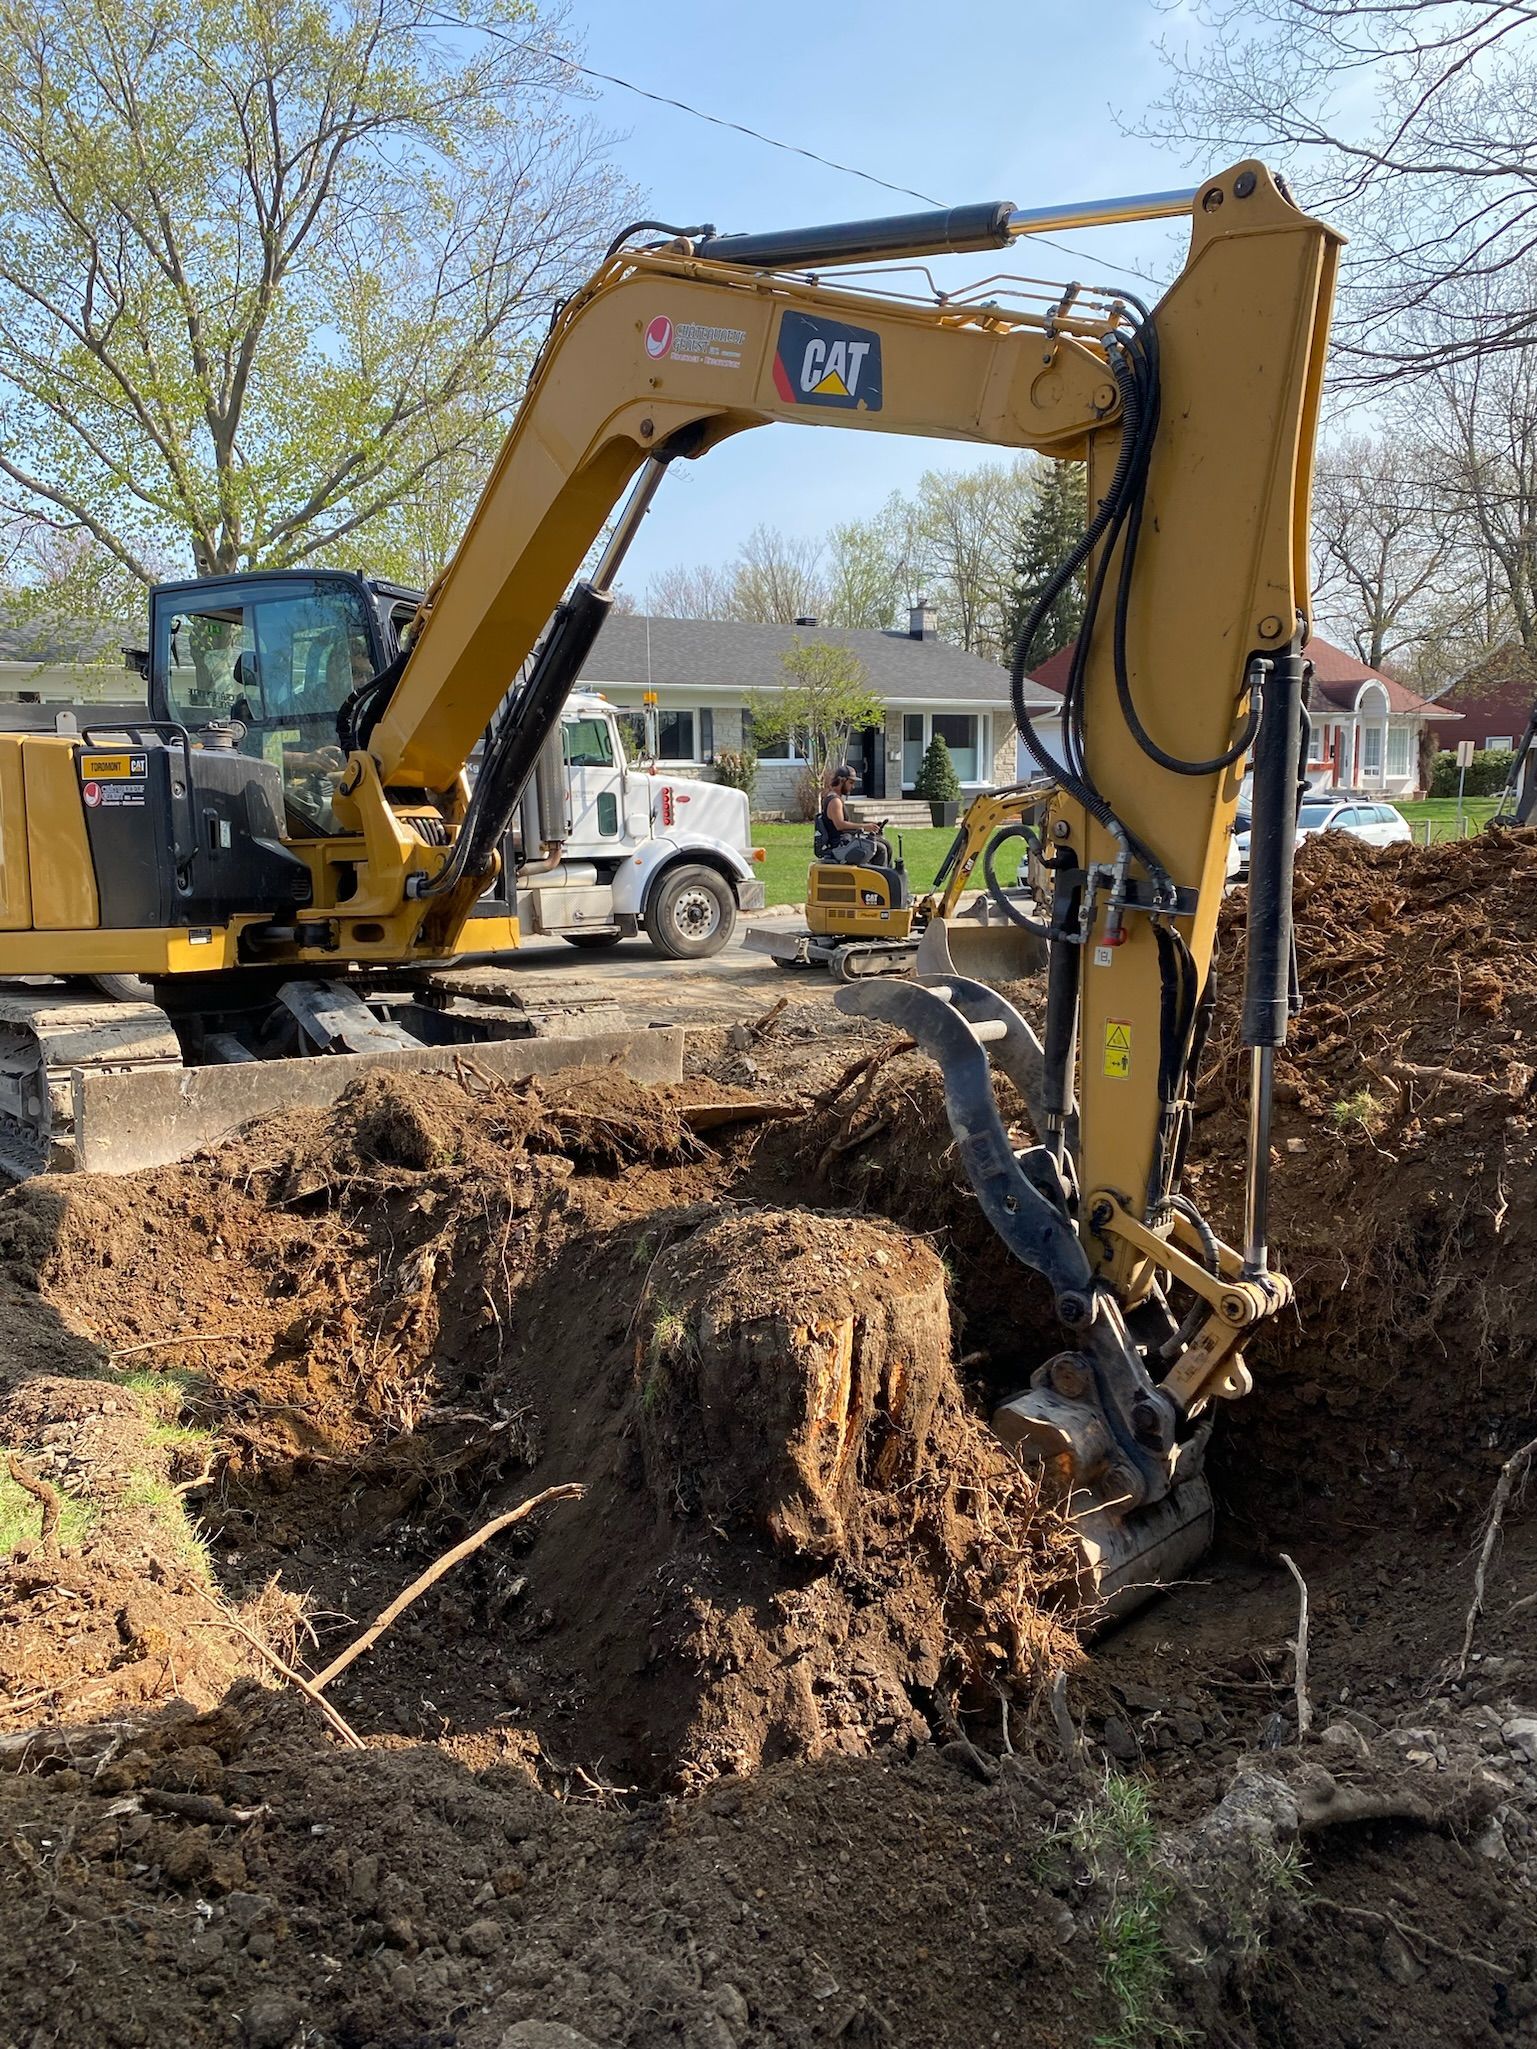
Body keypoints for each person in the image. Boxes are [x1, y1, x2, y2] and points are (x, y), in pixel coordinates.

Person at [816, 763, 888, 867]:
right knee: (881, 849)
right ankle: (880, 880)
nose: (853, 786)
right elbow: (839, 825)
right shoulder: (834, 801)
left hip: (846, 839)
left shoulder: (836, 798)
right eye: (851, 782)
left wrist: (868, 827)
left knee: (885, 844)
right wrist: (864, 827)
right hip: (840, 845)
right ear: (841, 780)